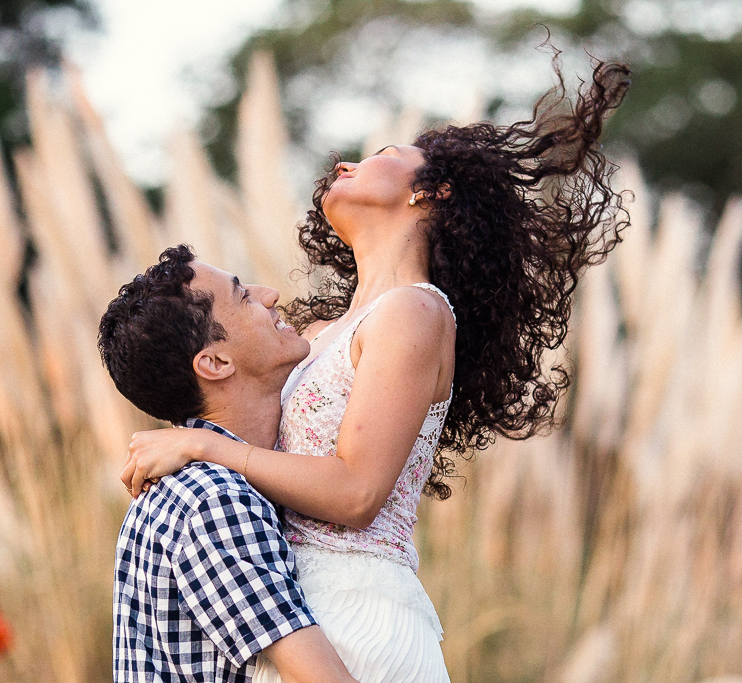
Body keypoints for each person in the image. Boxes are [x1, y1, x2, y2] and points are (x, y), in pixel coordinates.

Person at [121, 55, 632, 683]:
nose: (346, 162)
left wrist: (202, 446)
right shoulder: (316, 337)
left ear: (432, 191)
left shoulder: (414, 312)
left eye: (382, 153)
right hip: (298, 616)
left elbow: (358, 493)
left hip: (357, 612)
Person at [98, 245, 358, 683]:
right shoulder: (216, 500)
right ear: (216, 363)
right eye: (243, 296)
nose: (271, 294)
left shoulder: (191, 483)